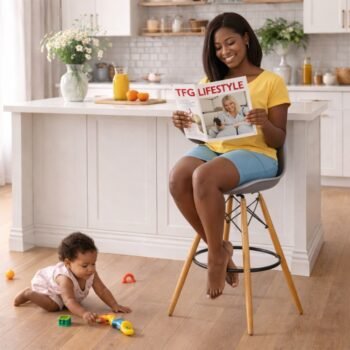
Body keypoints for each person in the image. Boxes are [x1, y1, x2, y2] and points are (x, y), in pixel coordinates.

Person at [169, 12, 290, 299]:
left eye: (230, 42)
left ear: (246, 38)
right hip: (215, 149)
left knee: (204, 177)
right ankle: (220, 247)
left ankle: (214, 258)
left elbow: (279, 138)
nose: (225, 52)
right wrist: (184, 125)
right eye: (218, 48)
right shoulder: (208, 82)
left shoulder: (271, 82)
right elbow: (202, 135)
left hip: (257, 153)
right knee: (178, 177)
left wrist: (264, 122)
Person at [14, 232, 131, 323]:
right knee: (53, 307)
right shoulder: (65, 279)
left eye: (93, 263)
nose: (91, 269)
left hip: (63, 291)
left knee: (67, 301)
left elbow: (102, 290)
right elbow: (69, 300)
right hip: (47, 285)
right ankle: (28, 294)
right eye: (85, 265)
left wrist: (114, 305)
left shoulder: (91, 273)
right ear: (68, 263)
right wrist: (84, 313)